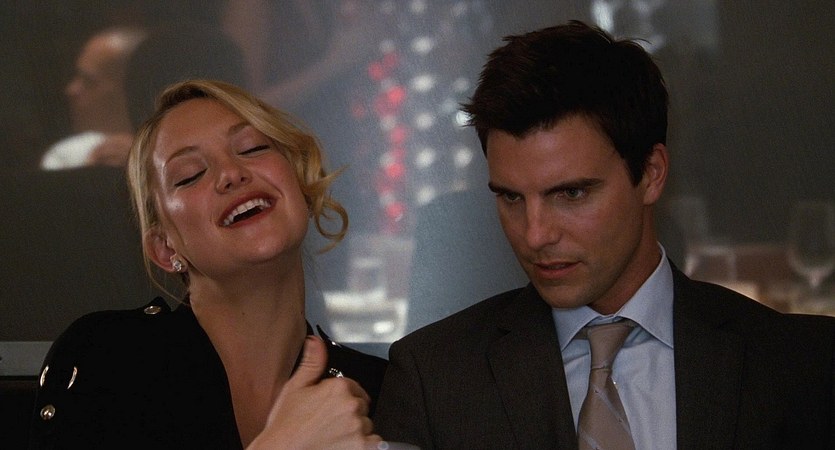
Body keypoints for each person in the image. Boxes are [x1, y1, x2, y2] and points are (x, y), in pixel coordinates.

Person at [373, 21, 835, 449]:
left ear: (651, 174)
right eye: (511, 197)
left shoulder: (802, 367)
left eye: (571, 193)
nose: (534, 234)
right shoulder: (434, 380)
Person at [29, 79, 387, 449]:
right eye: (190, 175)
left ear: (302, 186)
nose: (232, 173)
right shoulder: (107, 358)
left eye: (252, 148)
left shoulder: (383, 393)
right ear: (164, 248)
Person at [40, 26, 146, 170]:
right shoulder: (65, 157)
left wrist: (145, 165)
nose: (71, 91)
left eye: (89, 81)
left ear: (132, 88)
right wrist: (90, 174)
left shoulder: (171, 150)